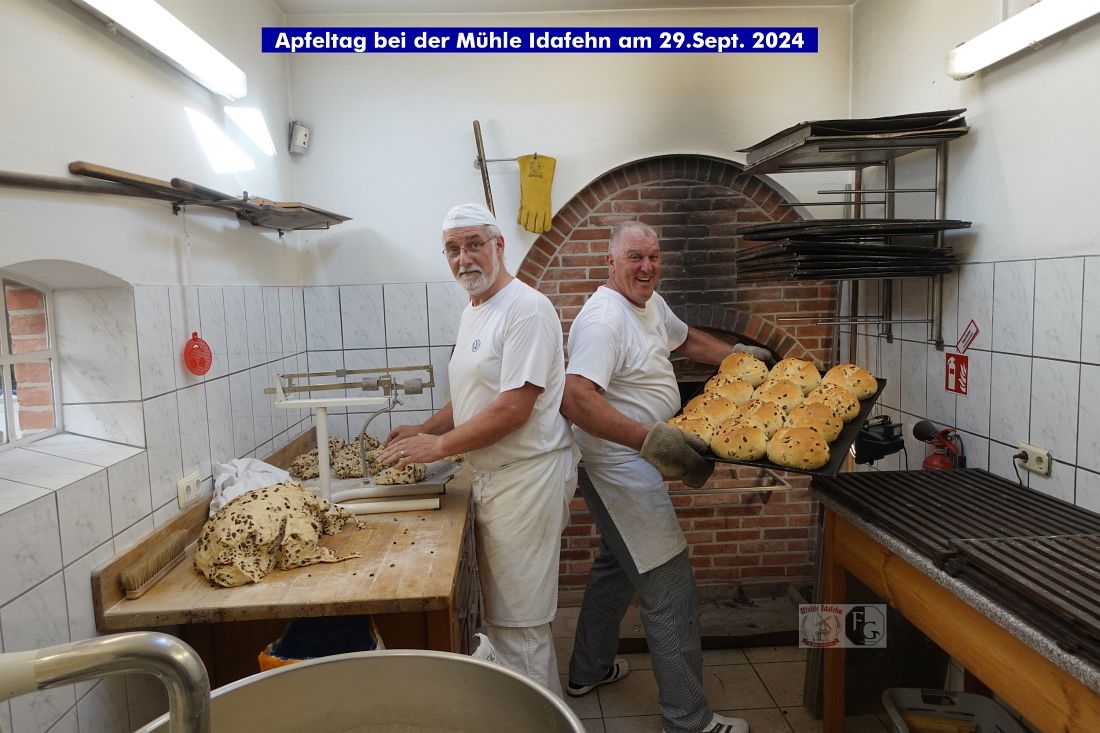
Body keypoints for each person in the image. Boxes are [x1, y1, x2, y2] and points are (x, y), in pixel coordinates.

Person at [561, 221, 772, 733]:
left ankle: (588, 670)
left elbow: (687, 340)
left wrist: (743, 359)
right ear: (609, 262)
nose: (646, 267)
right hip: (617, 466)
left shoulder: (649, 304)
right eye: (634, 257)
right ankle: (689, 719)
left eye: (653, 257)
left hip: (635, 460)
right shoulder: (603, 320)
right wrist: (650, 442)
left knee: (618, 564)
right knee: (669, 586)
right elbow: (574, 397)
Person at [381, 203, 576, 695]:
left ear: (498, 246)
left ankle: (543, 720)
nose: (463, 258)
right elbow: (476, 393)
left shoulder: (526, 309)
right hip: (497, 477)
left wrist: (440, 445)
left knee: (521, 627)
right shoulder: (476, 310)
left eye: (473, 244)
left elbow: (513, 408)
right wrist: (423, 429)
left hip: (526, 479)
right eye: (453, 248)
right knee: (509, 621)